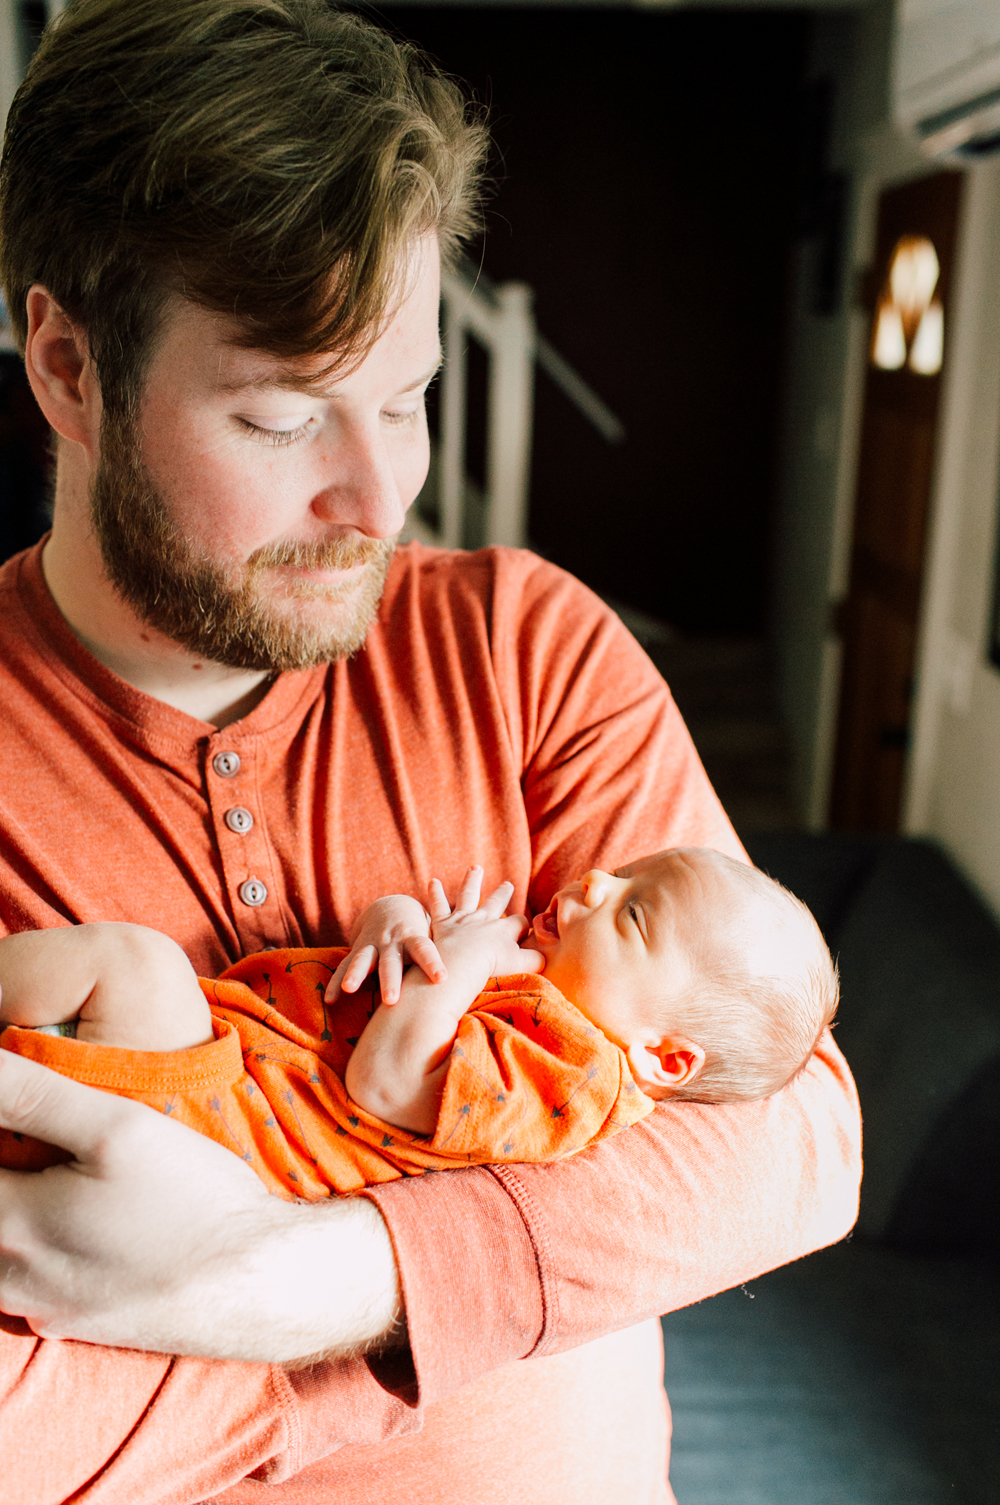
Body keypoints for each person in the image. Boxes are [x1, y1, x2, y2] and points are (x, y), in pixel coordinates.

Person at [0, 2, 861, 1501]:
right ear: (69, 369)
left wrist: (304, 1281)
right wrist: (500, 1292)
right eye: (281, 417)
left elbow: (793, 1140)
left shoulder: (526, 645)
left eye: (407, 398)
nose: (375, 494)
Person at [0, 850, 840, 1189]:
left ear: (663, 1056)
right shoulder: (526, 977)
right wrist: (398, 928)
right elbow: (400, 992)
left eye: (631, 917)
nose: (590, 884)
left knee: (137, 965)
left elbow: (386, 1077)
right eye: (622, 875)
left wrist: (466, 956)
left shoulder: (575, 1081)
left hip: (223, 1139)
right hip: (214, 1078)